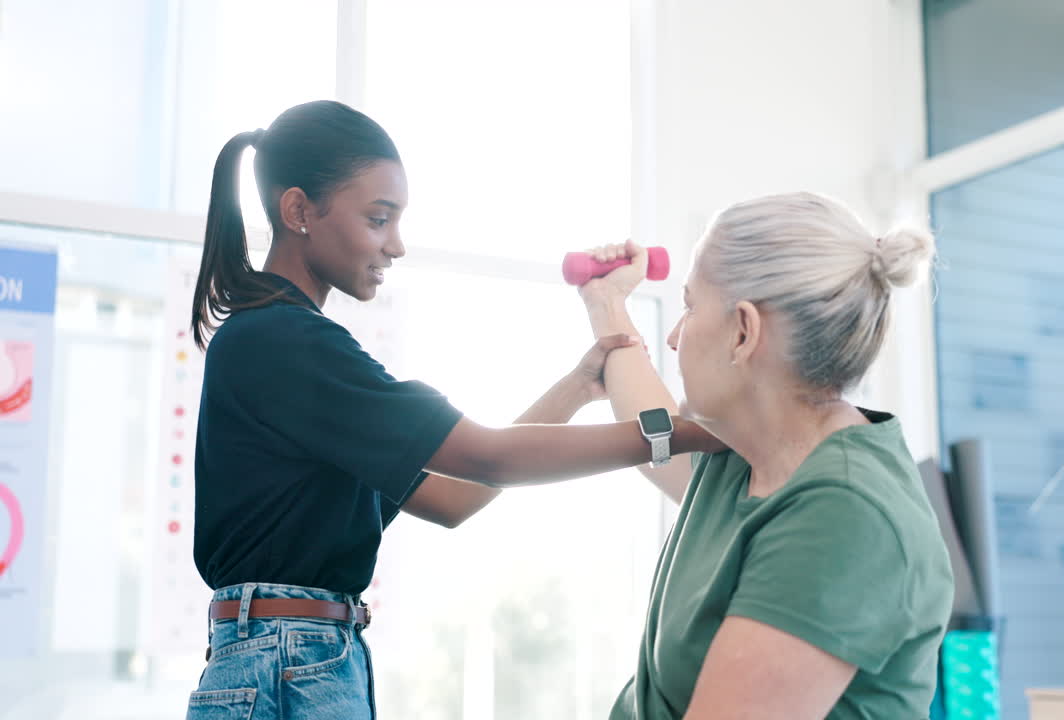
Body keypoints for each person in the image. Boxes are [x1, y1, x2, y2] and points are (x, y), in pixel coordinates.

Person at [184, 100, 718, 719]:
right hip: (289, 658)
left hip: (298, 652)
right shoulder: (286, 343)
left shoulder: (287, 352)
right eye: (379, 219)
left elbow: (452, 497)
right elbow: (486, 456)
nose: (397, 245)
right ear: (299, 210)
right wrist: (686, 432)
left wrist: (576, 387)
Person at [577, 192, 955, 719]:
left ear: (744, 331)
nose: (673, 336)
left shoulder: (844, 516)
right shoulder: (743, 451)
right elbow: (651, 428)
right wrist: (607, 305)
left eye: (689, 307)